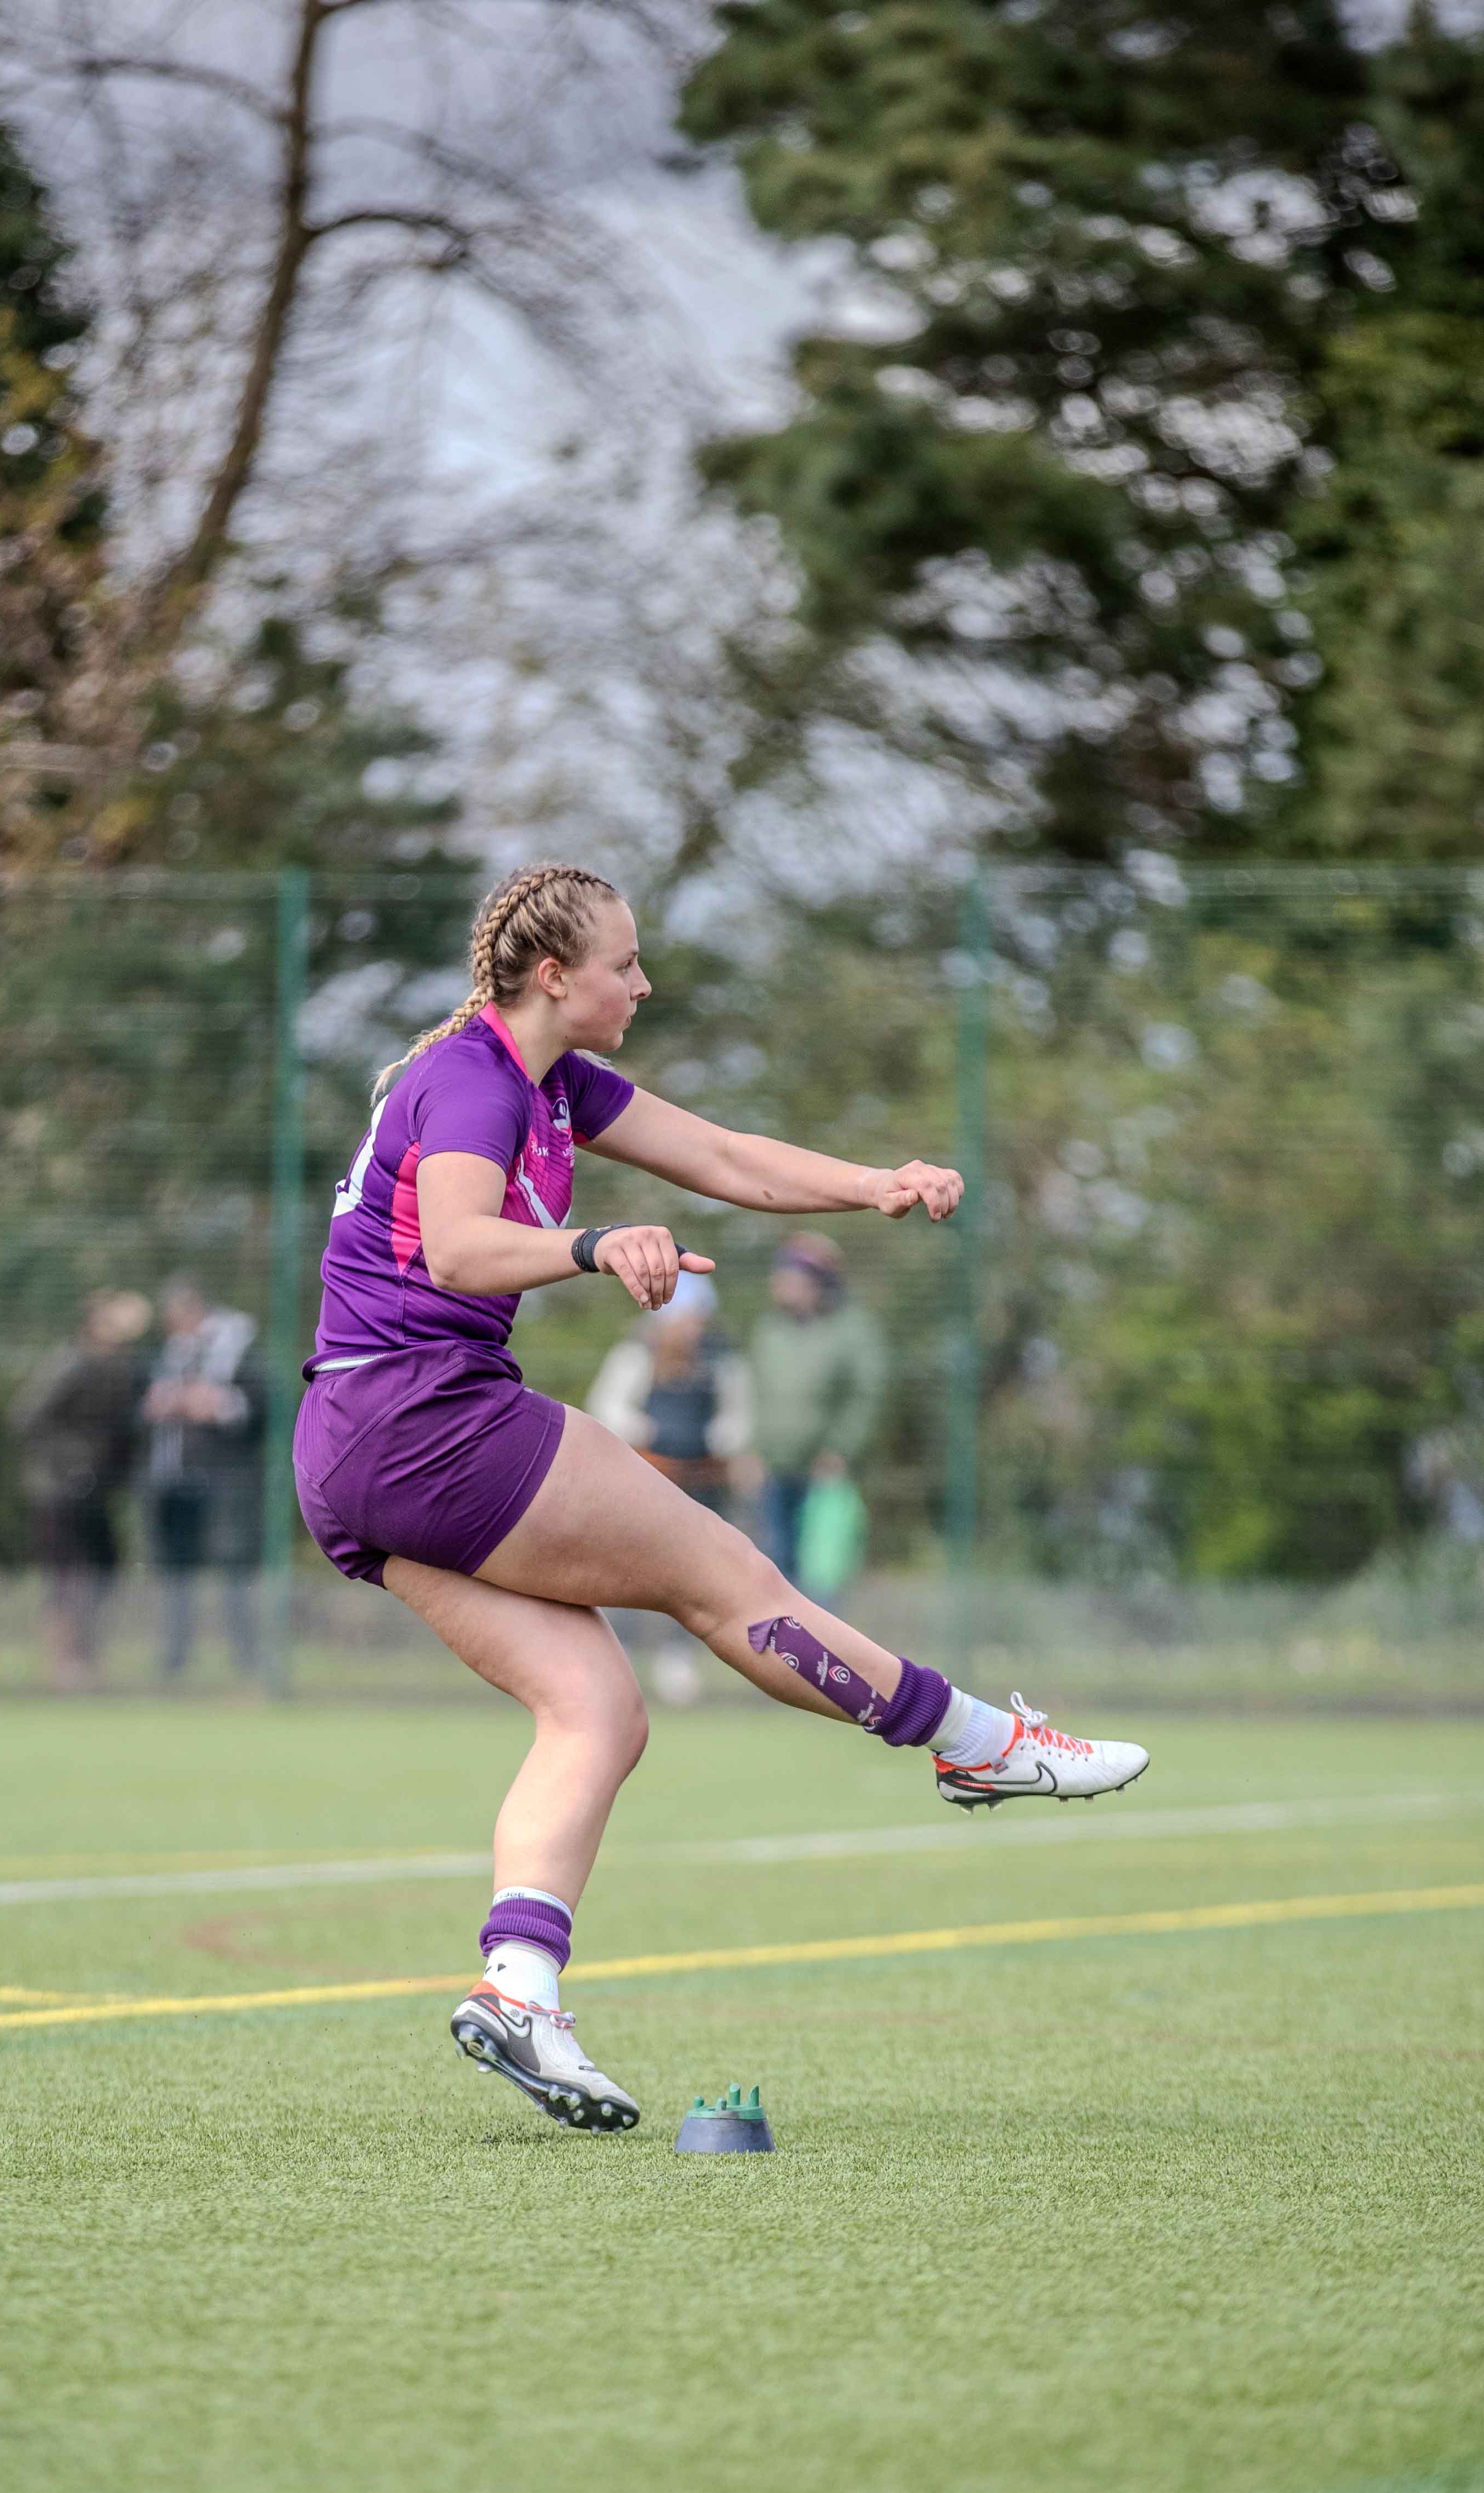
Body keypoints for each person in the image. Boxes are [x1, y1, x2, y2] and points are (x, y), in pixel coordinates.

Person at [293, 863, 1149, 2136]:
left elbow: (723, 1156)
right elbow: (463, 1245)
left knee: (596, 1710)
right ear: (552, 977)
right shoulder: (474, 1079)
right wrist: (598, 1246)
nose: (643, 982)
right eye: (625, 964)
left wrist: (872, 1182)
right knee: (726, 1579)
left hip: (352, 1445)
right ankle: (974, 1740)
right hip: (429, 1415)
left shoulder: (550, 1083)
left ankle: (520, 1987)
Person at [586, 1274, 752, 1703]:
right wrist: (651, 1435)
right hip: (645, 1479)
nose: (693, 1326)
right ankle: (617, 1657)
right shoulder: (635, 1356)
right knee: (625, 1570)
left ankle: (678, 1661)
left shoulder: (721, 1361)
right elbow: (607, 1409)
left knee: (693, 1573)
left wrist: (719, 1444)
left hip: (701, 1484)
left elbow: (737, 1418)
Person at [10, 1290, 151, 1689]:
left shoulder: (122, 1368)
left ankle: (88, 1663)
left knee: (105, 1572)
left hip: (96, 1492)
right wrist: (72, 1464)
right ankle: (66, 1669)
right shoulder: (70, 1363)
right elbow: (26, 1417)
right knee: (68, 1579)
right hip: (58, 1491)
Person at [142, 1279, 267, 1682]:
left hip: (228, 1484)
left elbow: (264, 1406)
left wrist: (219, 1406)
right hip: (173, 1483)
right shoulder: (168, 1355)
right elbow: (139, 1410)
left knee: (234, 1572)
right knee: (177, 1576)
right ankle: (175, 1666)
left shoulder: (243, 1350)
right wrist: (158, 1404)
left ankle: (247, 1665)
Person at [749, 1232, 885, 1584]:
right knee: (774, 1568)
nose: (779, 1283)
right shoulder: (770, 1329)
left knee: (820, 1574)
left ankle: (820, 1640)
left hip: (824, 1473)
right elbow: (753, 1392)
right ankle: (778, 1641)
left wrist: (840, 1450)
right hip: (771, 1471)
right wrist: (750, 1450)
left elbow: (864, 1396)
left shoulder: (851, 1331)